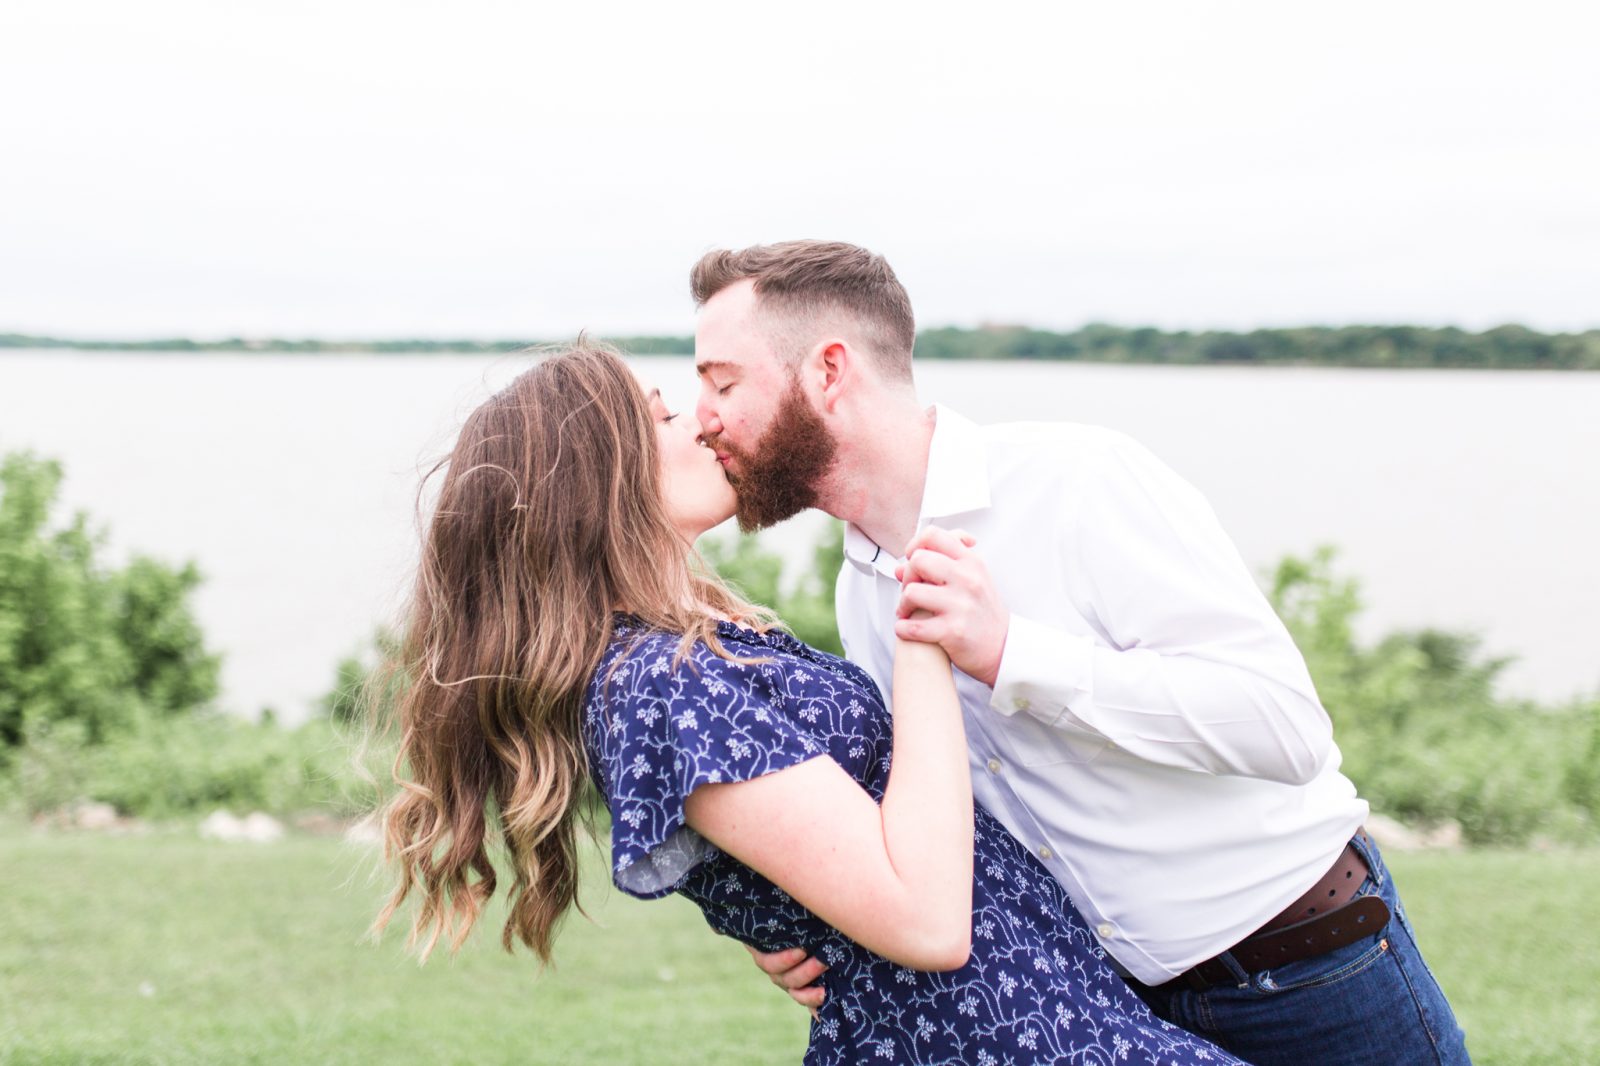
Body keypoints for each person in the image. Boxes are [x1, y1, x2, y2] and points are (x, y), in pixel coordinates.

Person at [692, 241, 1472, 1066]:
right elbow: (939, 824)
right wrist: (810, 913)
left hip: (1316, 971)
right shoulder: (861, 593)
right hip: (1117, 1015)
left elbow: (1286, 728)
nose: (702, 415)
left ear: (827, 372)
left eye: (722, 380)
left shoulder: (1079, 484)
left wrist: (1012, 653)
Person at [373, 343, 1242, 1064]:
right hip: (985, 1037)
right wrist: (924, 636)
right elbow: (928, 921)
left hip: (1039, 1019)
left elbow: (816, 840)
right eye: (665, 415)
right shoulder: (659, 684)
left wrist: (792, 902)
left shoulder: (685, 644)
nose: (703, 423)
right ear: (597, 481)